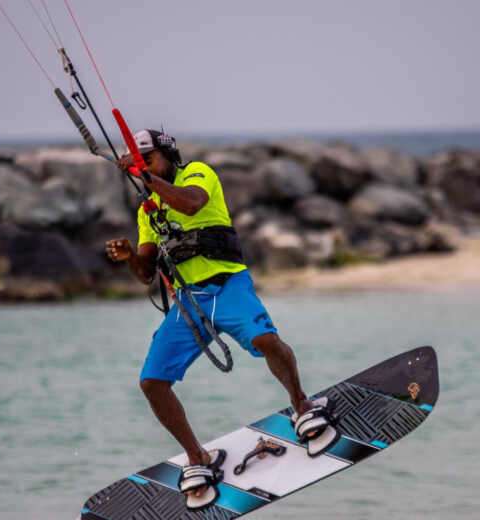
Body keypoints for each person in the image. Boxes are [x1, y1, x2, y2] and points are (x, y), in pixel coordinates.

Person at [104, 129, 337, 510]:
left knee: (265, 340)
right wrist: (129, 255)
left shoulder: (197, 173)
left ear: (167, 155)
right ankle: (198, 458)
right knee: (152, 382)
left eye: (148, 158)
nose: (144, 166)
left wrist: (146, 178)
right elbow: (146, 272)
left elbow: (193, 205)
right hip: (189, 302)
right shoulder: (147, 210)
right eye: (139, 161)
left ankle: (302, 406)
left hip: (227, 286)